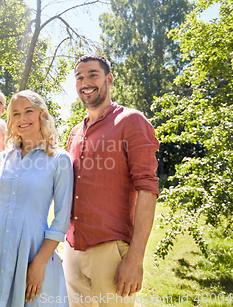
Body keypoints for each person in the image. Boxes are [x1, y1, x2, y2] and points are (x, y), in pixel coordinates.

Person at [63, 54, 160, 307]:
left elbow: (147, 189)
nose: (85, 82)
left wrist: (135, 258)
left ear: (109, 79)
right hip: (72, 250)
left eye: (93, 74)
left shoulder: (131, 121)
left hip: (111, 251)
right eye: (79, 77)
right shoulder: (75, 133)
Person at [0, 90, 73, 307]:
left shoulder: (59, 159)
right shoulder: (2, 158)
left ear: (41, 115)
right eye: (15, 114)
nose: (22, 118)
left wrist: (39, 264)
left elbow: (61, 220)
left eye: (28, 111)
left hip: (34, 251)